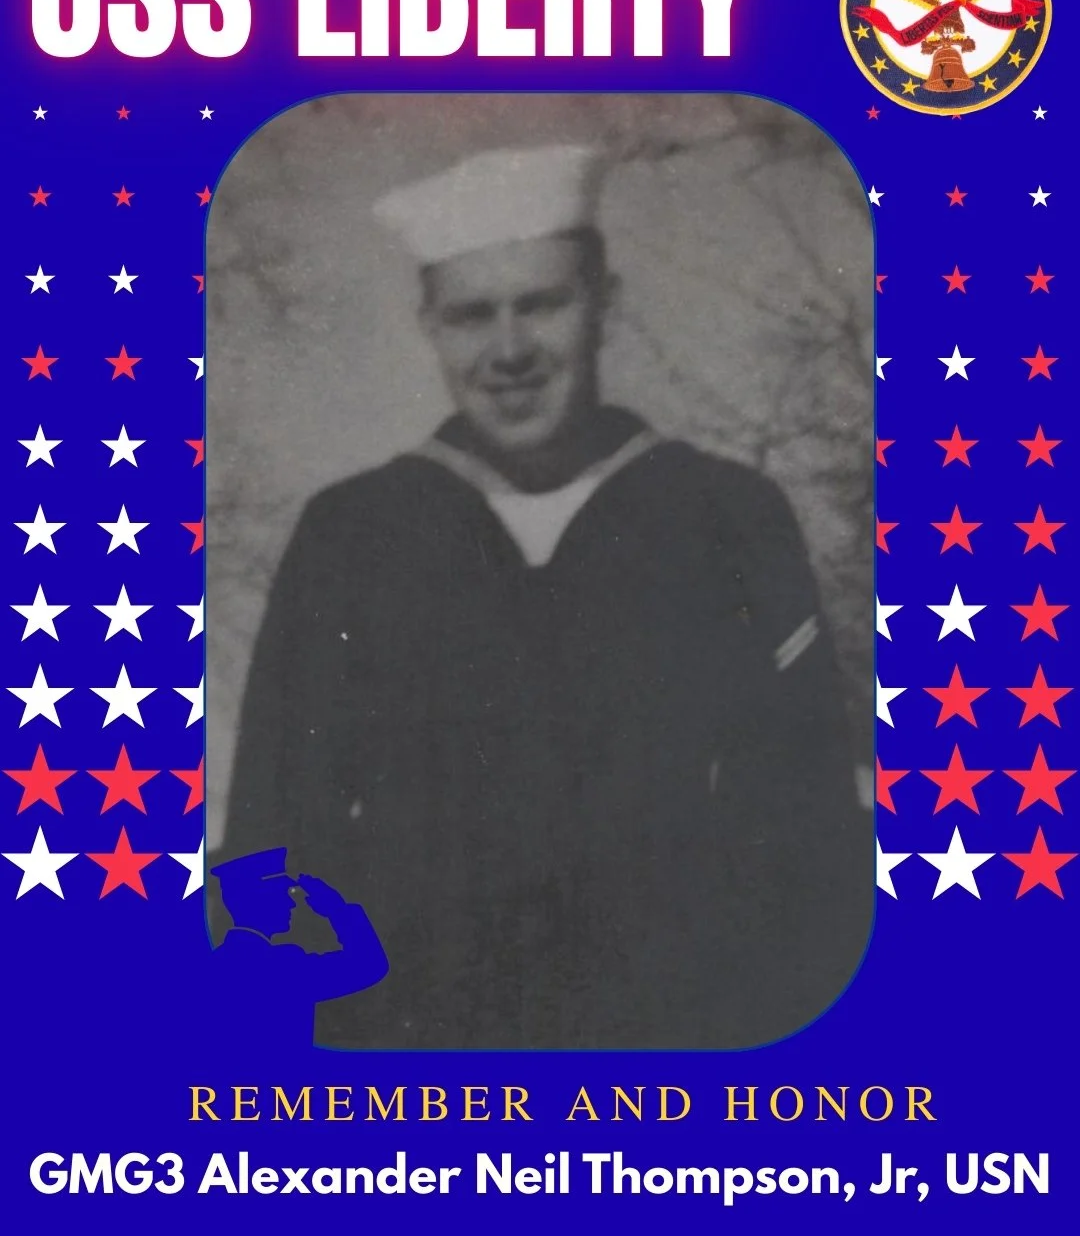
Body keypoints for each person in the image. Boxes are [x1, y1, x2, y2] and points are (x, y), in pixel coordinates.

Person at [213, 144, 873, 1051]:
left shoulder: (724, 518)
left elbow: (811, 838)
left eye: (544, 304)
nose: (510, 350)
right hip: (415, 1072)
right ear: (430, 327)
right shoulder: (354, 536)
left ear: (606, 305)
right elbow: (271, 835)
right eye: (473, 315)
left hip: (671, 1070)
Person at [209, 848, 389, 1051]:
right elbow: (369, 963)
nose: (292, 903)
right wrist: (337, 909)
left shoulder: (210, 965)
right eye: (283, 893)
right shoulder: (283, 964)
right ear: (259, 900)